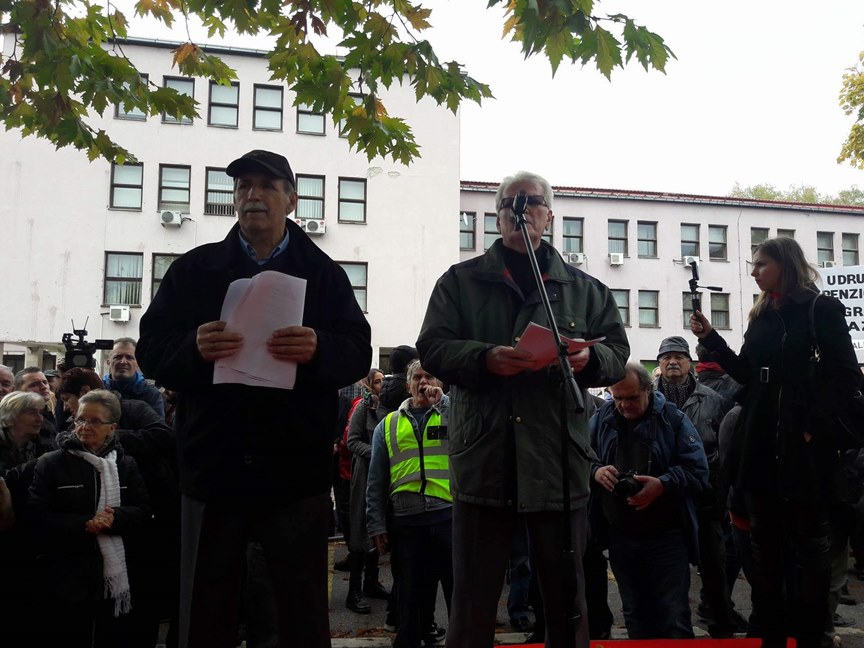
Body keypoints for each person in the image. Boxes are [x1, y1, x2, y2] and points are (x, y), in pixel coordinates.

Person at [136, 149, 372, 648]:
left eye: (266, 186)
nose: (252, 195)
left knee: (299, 602)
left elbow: (356, 350)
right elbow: (151, 348)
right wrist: (192, 348)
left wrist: (319, 347)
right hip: (213, 461)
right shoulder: (195, 269)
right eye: (243, 186)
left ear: (291, 198)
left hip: (293, 466)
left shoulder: (325, 274)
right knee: (205, 599)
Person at [416, 170, 629, 648]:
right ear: (496, 217)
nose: (521, 209)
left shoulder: (584, 288)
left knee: (565, 598)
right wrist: (483, 357)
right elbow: (431, 346)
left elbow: (617, 352)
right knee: (472, 599)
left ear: (549, 216)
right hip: (484, 455)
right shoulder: (460, 281)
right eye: (511, 202)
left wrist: (589, 359)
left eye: (532, 202)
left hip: (556, 456)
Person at [691, 236, 860, 648]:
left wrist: (811, 427)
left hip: (804, 447)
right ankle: (770, 631)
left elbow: (847, 378)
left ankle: (811, 634)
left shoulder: (821, 309)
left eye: (761, 264)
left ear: (785, 264)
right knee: (764, 544)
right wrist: (712, 340)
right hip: (762, 438)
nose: (753, 272)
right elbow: (746, 373)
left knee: (809, 544)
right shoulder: (762, 315)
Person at [589, 362, 709, 639]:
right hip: (620, 536)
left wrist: (662, 485)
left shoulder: (673, 419)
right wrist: (595, 471)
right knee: (634, 614)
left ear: (648, 389)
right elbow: (581, 457)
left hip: (667, 537)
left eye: (631, 397)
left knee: (674, 615)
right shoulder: (602, 417)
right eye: (617, 397)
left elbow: (698, 471)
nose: (623, 405)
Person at [28, 389, 152, 647]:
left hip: (113, 574)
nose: (84, 426)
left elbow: (142, 510)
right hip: (67, 571)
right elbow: (38, 516)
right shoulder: (51, 463)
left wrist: (114, 518)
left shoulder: (125, 465)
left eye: (94, 421)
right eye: (81, 419)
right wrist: (85, 523)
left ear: (112, 428)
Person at [654, 336, 738, 637]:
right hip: (663, 501)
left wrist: (720, 496)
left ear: (690, 362)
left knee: (714, 568)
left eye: (679, 356)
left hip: (705, 500)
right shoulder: (646, 399)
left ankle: (722, 627)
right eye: (666, 357)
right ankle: (674, 634)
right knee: (668, 575)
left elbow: (725, 450)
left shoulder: (713, 400)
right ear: (659, 363)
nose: (672, 362)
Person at [366, 360, 453, 648]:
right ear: (407, 384)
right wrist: (376, 524)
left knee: (458, 594)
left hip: (448, 519)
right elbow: (376, 480)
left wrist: (446, 404)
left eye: (430, 376)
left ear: (440, 384)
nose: (423, 382)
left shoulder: (451, 415)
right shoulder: (388, 425)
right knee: (409, 597)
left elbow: (473, 434)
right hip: (407, 522)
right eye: (417, 376)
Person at [345, 367, 388, 614]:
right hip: (363, 477)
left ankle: (371, 582)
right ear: (371, 384)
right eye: (378, 381)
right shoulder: (364, 407)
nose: (382, 385)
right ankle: (354, 591)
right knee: (360, 532)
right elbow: (352, 441)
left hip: (382, 478)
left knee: (376, 528)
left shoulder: (386, 409)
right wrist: (378, 454)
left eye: (384, 381)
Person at [104, 338, 166, 418]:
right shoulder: (97, 389)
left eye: (129, 357)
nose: (123, 362)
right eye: (118, 357)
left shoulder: (151, 395)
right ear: (109, 362)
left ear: (137, 363)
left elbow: (158, 429)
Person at [0, 391, 56, 471]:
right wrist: (41, 462)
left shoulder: (46, 440)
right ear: (10, 418)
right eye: (32, 413)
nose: (40, 419)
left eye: (40, 413)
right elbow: (5, 478)